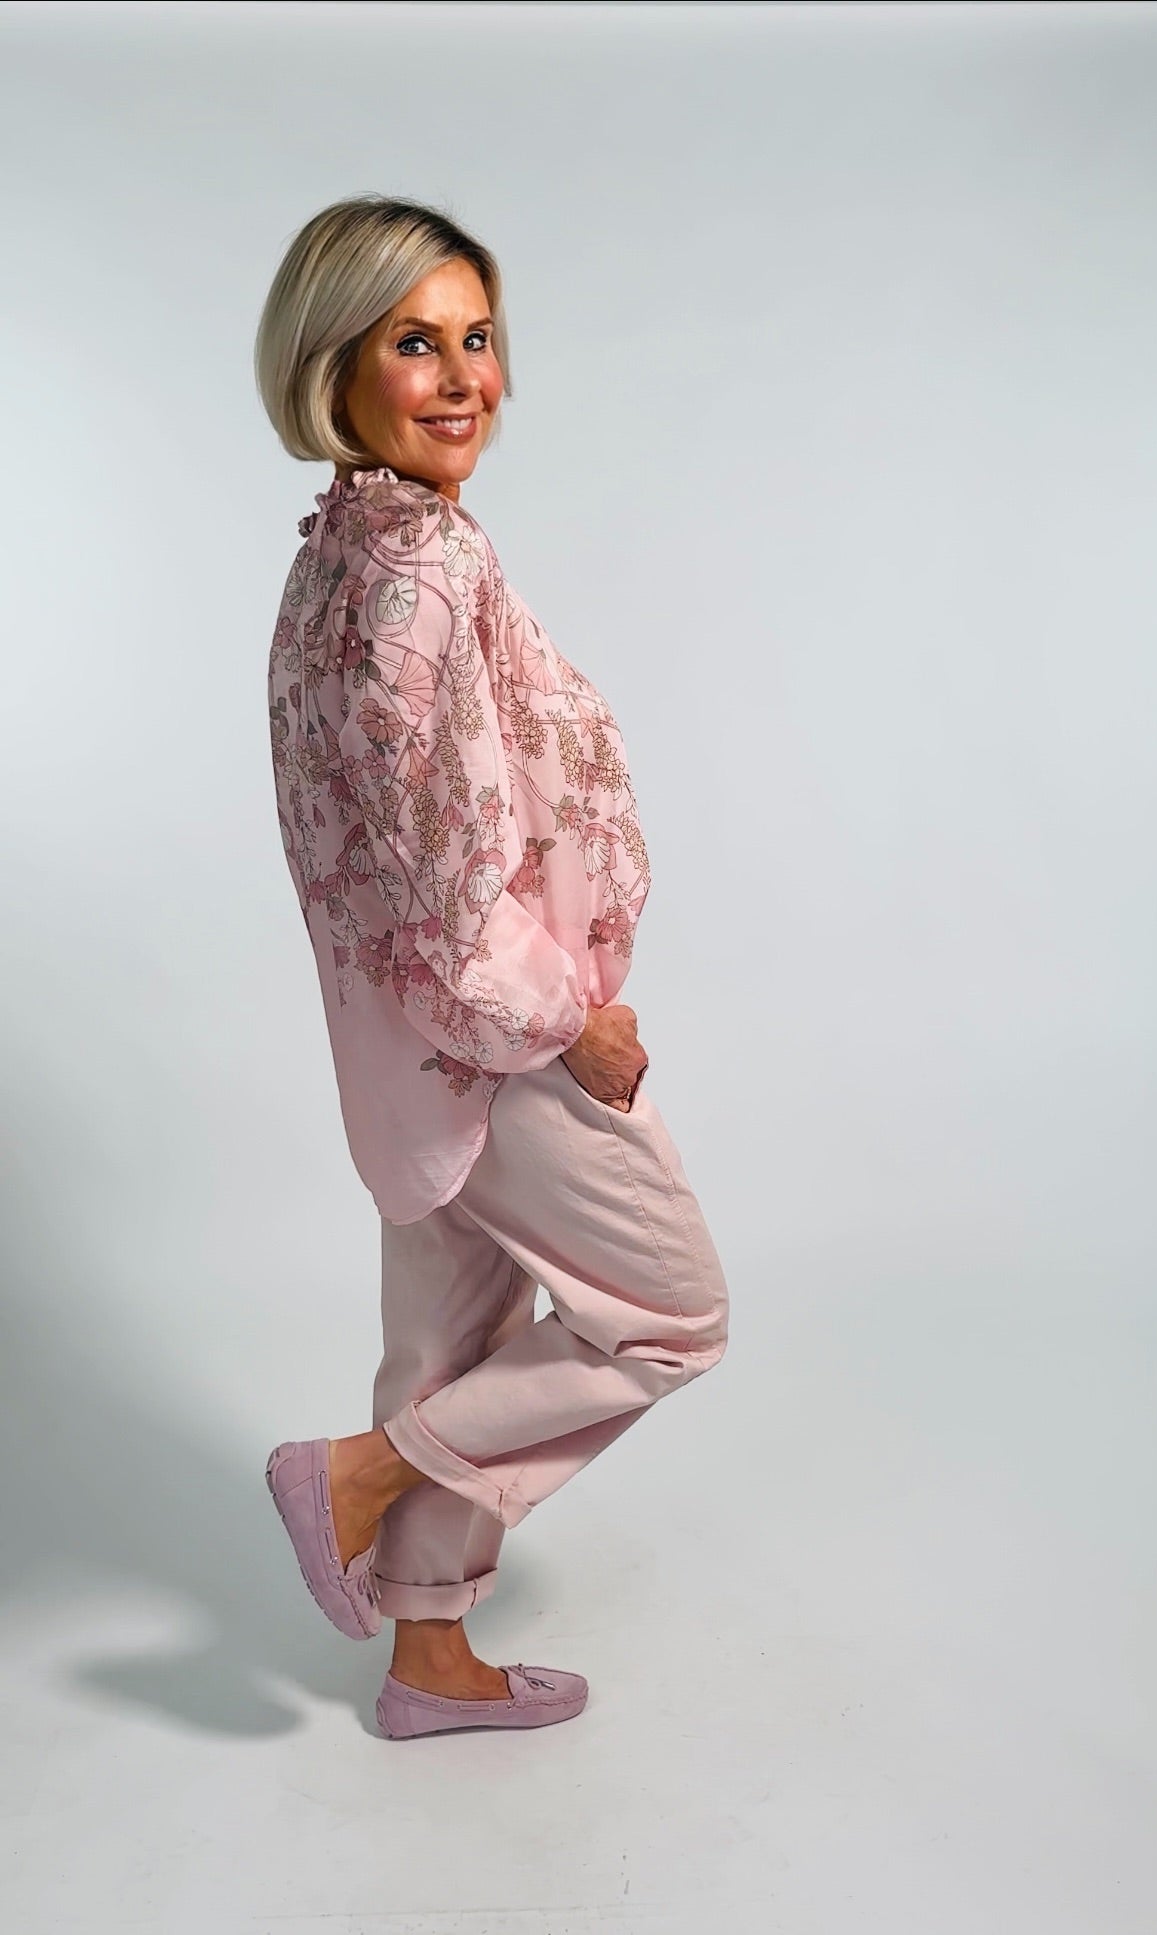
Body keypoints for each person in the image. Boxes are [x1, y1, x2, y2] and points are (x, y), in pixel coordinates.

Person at [253, 195, 730, 1739]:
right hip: (493, 1038)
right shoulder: (415, 577)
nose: (465, 379)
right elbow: (439, 878)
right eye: (416, 342)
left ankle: (428, 1661)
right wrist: (570, 1022)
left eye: (478, 339)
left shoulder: (348, 550)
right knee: (668, 1315)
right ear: (334, 364)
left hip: (411, 1052)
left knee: (449, 1344)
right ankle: (354, 1478)